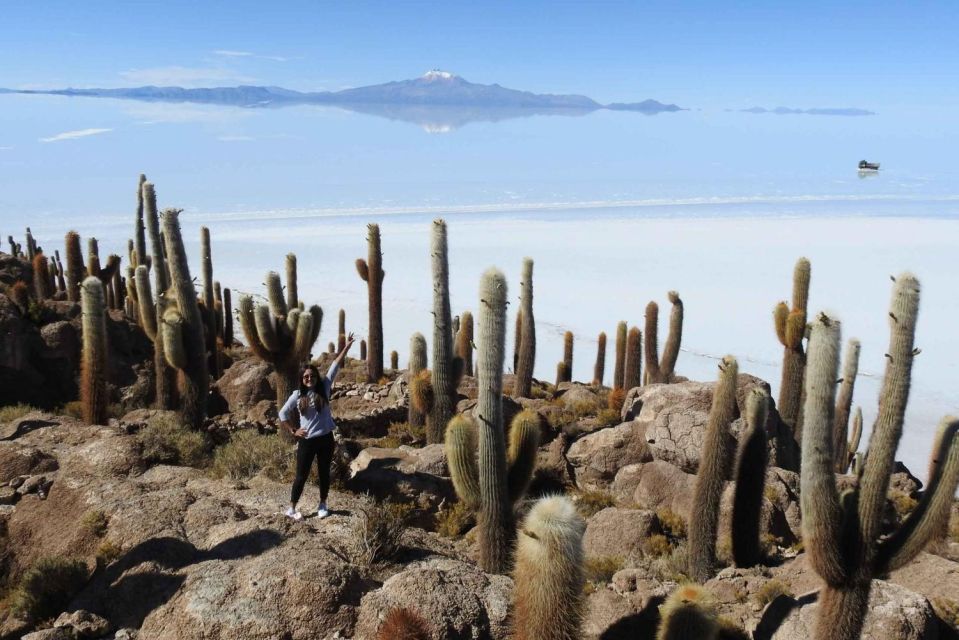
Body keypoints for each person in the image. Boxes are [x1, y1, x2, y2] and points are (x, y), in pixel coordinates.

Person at [279, 332, 355, 521]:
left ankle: (323, 504)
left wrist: (346, 347)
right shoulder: (296, 395)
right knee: (300, 476)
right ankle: (292, 507)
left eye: (312, 375)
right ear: (301, 379)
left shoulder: (324, 388)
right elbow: (282, 414)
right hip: (307, 441)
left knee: (324, 474)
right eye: (306, 376)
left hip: (325, 440)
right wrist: (293, 430)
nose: (309, 378)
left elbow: (334, 366)